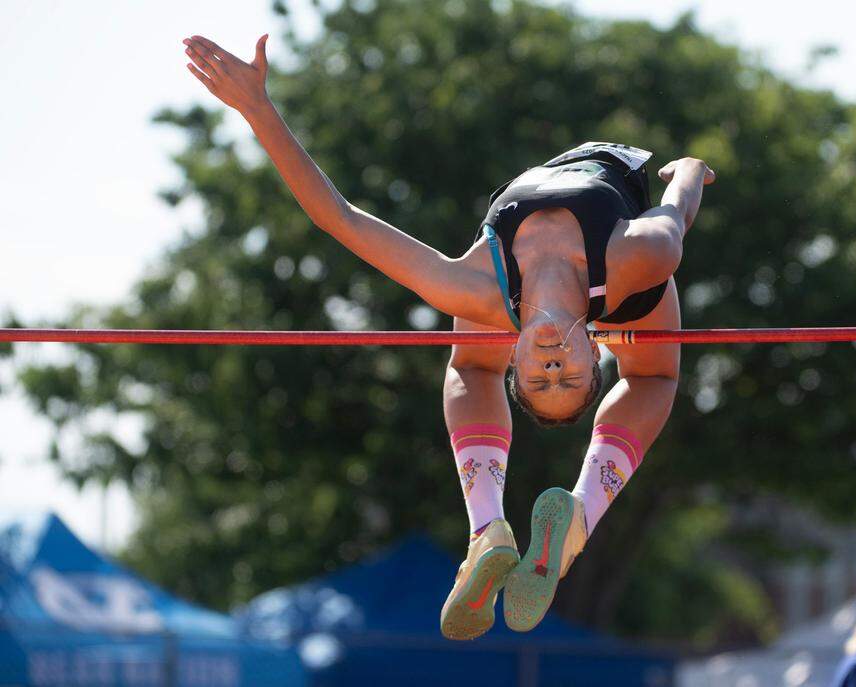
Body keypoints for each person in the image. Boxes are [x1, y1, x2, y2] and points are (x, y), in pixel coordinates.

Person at [181, 35, 714, 640]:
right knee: (657, 375)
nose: (551, 364)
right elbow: (677, 210)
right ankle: (573, 521)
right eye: (568, 376)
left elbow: (340, 218)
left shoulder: (475, 291)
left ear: (512, 352)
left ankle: (489, 528)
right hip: (619, 280)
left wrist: (258, 110)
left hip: (527, 287)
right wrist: (689, 171)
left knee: (468, 368)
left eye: (540, 380)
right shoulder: (642, 258)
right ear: (595, 348)